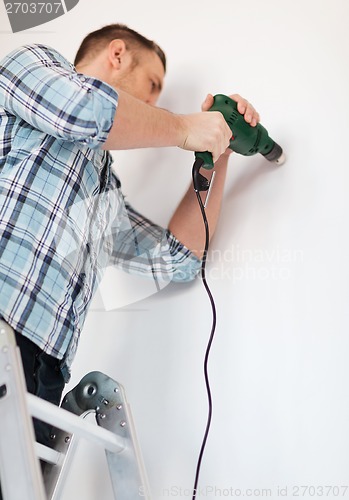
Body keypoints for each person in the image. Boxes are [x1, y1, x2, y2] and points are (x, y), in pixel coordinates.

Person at [0, 23, 259, 487]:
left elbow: (181, 257)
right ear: (117, 55)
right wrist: (183, 129)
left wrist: (220, 151)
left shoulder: (105, 196)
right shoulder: (31, 65)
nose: (155, 103)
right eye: (153, 85)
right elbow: (83, 111)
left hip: (42, 377)